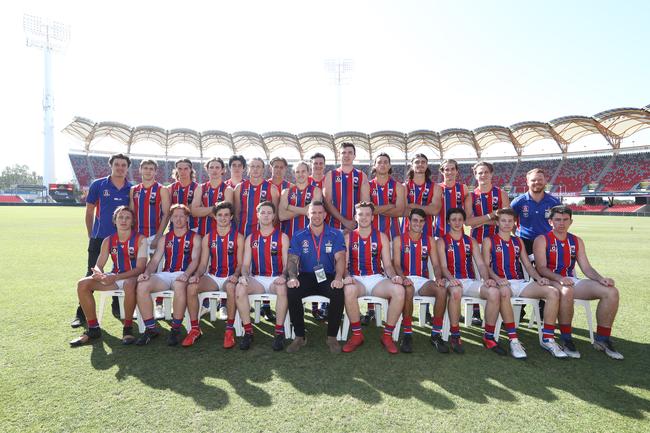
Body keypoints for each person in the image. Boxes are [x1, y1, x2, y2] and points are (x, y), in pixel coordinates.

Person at [533, 205, 623, 360]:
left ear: (571, 221)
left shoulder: (576, 241)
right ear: (550, 222)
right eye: (557, 220)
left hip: (570, 280)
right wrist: (560, 278)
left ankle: (603, 339)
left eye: (565, 220)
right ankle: (566, 338)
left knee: (611, 291)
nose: (561, 223)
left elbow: (586, 268)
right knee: (567, 291)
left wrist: (601, 279)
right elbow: (541, 268)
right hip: (550, 281)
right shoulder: (542, 239)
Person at [481, 208, 567, 359]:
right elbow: (486, 266)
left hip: (520, 282)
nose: (507, 224)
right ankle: (513, 340)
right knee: (505, 291)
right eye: (503, 221)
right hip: (501, 283)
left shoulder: (518, 241)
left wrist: (538, 278)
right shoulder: (489, 241)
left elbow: (527, 265)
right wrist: (497, 278)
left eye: (510, 221)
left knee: (552, 292)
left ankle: (548, 339)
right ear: (497, 222)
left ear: (514, 222)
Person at [70, 206, 147, 346]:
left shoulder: (140, 239)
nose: (123, 220)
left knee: (129, 283)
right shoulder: (108, 240)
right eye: (120, 217)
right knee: (83, 284)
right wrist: (98, 273)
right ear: (115, 221)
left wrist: (115, 277)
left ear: (132, 221)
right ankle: (93, 328)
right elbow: (100, 263)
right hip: (115, 278)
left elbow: (140, 268)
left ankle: (128, 328)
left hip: (135, 279)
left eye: (127, 217)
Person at [72, 153, 133, 328]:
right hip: (99, 238)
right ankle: (81, 314)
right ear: (111, 165)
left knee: (119, 270)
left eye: (123, 165)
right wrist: (91, 234)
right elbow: (89, 210)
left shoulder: (130, 188)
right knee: (92, 273)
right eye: (117, 164)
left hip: (122, 240)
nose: (120, 167)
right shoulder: (98, 185)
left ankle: (117, 307)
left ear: (127, 168)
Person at [341, 202, 405, 355]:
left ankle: (387, 335)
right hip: (357, 279)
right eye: (360, 214)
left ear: (372, 217)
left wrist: (394, 276)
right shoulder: (349, 237)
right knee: (348, 289)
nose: (364, 217)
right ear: (356, 217)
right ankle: (357, 335)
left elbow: (388, 265)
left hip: (377, 279)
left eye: (367, 214)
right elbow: (343, 265)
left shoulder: (381, 237)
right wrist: (347, 276)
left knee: (399, 290)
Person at [134, 204, 201, 346]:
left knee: (179, 284)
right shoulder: (165, 238)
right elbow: (155, 260)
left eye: (182, 216)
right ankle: (151, 328)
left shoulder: (195, 237)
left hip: (184, 273)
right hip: (166, 274)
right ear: (170, 219)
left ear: (187, 218)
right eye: (175, 216)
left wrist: (187, 274)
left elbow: (195, 260)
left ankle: (175, 328)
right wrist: (146, 273)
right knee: (142, 285)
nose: (179, 219)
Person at [436, 208, 501, 355]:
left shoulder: (471, 241)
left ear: (464, 221)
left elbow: (481, 264)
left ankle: (488, 336)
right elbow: (443, 267)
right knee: (456, 291)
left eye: (460, 219)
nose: (457, 222)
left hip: (470, 281)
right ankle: (455, 335)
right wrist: (451, 279)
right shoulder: (442, 241)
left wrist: (486, 279)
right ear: (448, 221)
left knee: (494, 292)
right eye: (454, 219)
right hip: (450, 280)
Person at [285, 201, 346, 353]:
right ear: (308, 214)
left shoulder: (336, 234)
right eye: (313, 212)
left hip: (327, 275)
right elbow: (292, 259)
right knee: (292, 291)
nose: (317, 216)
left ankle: (332, 336)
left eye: (320, 213)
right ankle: (299, 336)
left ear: (325, 215)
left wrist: (338, 278)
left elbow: (340, 258)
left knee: (338, 293)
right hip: (306, 275)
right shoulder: (298, 235)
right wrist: (292, 277)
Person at [182, 201, 244, 348]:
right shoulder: (208, 237)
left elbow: (241, 264)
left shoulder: (239, 237)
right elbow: (203, 264)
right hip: (213, 277)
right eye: (220, 215)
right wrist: (197, 274)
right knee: (191, 287)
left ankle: (229, 330)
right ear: (215, 217)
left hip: (230, 276)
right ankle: (195, 329)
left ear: (231, 217)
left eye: (226, 215)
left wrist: (235, 275)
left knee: (230, 288)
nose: (223, 218)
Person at [234, 201, 290, 351]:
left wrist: (283, 277)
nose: (265, 216)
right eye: (262, 213)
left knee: (282, 289)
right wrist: (244, 275)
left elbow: (287, 265)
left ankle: (279, 332)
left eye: (269, 213)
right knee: (240, 288)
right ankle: (248, 331)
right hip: (257, 279)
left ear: (273, 216)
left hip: (275, 278)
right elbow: (245, 265)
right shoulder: (251, 238)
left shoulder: (282, 237)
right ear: (257, 215)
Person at [392, 208, 447, 353]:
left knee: (442, 290)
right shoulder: (398, 239)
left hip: (422, 281)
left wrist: (439, 278)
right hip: (405, 279)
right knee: (408, 289)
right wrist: (403, 279)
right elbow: (396, 265)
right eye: (415, 220)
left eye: (421, 221)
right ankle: (408, 333)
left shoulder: (429, 240)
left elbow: (436, 264)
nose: (418, 223)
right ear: (409, 221)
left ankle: (435, 334)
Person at [234, 158, 280, 321]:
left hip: (265, 235)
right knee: (245, 269)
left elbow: (275, 215)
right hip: (245, 235)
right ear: (248, 169)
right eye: (252, 166)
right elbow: (238, 213)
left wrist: (266, 232)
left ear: (263, 169)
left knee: (264, 267)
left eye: (258, 167)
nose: (255, 169)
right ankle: (244, 306)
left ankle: (266, 308)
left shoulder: (272, 188)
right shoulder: (240, 187)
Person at [465, 161, 510, 325]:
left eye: (485, 172)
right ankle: (476, 311)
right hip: (476, 240)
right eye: (479, 172)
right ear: (475, 175)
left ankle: (502, 310)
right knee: (476, 272)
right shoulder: (471, 196)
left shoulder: (501, 194)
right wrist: (492, 216)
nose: (482, 175)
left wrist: (481, 221)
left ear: (491, 174)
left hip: (497, 240)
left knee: (497, 272)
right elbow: (468, 222)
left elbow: (506, 220)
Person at [322, 142, 370, 232]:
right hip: (333, 227)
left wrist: (352, 222)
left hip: (355, 227)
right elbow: (327, 202)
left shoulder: (362, 175)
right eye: (343, 153)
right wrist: (344, 221)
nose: (346, 155)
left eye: (350, 153)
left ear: (354, 156)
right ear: (339, 155)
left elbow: (365, 203)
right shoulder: (330, 175)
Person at [511, 168, 561, 254]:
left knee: (546, 267)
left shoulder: (554, 202)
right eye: (533, 180)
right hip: (524, 243)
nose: (537, 182)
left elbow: (561, 222)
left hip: (547, 242)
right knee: (525, 267)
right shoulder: (518, 202)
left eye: (540, 179)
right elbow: (509, 220)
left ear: (545, 181)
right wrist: (517, 234)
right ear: (527, 182)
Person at [130, 159, 170, 254]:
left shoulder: (162, 189)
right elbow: (131, 214)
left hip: (154, 234)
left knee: (155, 267)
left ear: (155, 172)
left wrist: (158, 237)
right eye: (145, 168)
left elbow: (166, 214)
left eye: (151, 169)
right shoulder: (133, 189)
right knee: (137, 267)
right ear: (140, 170)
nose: (148, 171)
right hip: (137, 235)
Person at [191, 157, 234, 236]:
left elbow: (226, 214)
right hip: (202, 233)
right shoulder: (200, 188)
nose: (214, 170)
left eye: (217, 167)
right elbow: (194, 212)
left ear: (222, 170)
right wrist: (214, 208)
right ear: (207, 170)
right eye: (211, 167)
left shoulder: (228, 189)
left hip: (222, 235)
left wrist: (203, 210)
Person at [279, 161, 322, 239]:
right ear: (294, 174)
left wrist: (289, 207)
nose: (300, 174)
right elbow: (282, 216)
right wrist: (305, 210)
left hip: (310, 238)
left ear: (308, 172)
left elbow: (311, 212)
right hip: (289, 237)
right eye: (297, 172)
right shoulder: (286, 192)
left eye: (303, 171)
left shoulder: (316, 191)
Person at [369, 153, 405, 239]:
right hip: (371, 235)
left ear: (389, 166)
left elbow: (399, 212)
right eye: (379, 162)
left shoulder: (398, 186)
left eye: (385, 162)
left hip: (393, 235)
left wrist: (375, 209)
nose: (382, 164)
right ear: (374, 166)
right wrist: (391, 206)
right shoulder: (367, 185)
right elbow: (368, 210)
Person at [403, 153, 438, 238]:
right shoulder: (404, 186)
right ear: (412, 165)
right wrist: (427, 208)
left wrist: (413, 206)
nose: (420, 164)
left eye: (423, 162)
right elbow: (402, 210)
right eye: (417, 162)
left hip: (428, 231)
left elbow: (434, 211)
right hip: (407, 230)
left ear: (427, 165)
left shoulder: (435, 187)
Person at [168, 158, 199, 232]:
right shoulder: (170, 188)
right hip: (174, 228)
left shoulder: (198, 187)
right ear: (176, 170)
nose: (183, 171)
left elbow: (196, 209)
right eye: (180, 169)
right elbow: (167, 210)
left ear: (190, 170)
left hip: (193, 228)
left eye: (186, 169)